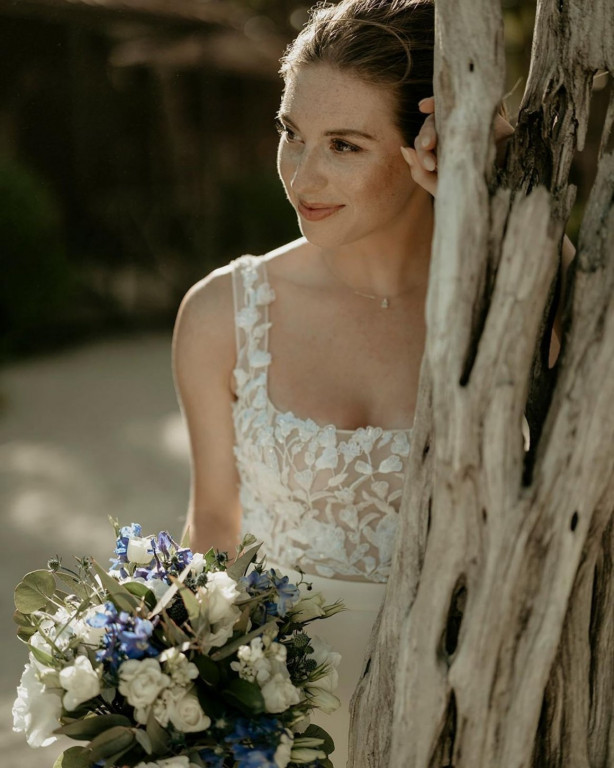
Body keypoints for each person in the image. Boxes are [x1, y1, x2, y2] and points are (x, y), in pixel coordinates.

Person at [172, 0, 561, 765]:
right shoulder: (223, 314)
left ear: (429, 143)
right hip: (278, 729)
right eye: (291, 132)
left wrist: (506, 194)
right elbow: (213, 521)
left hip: (479, 712)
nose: (301, 175)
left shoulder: (516, 296)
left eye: (344, 145)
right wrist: (161, 701)